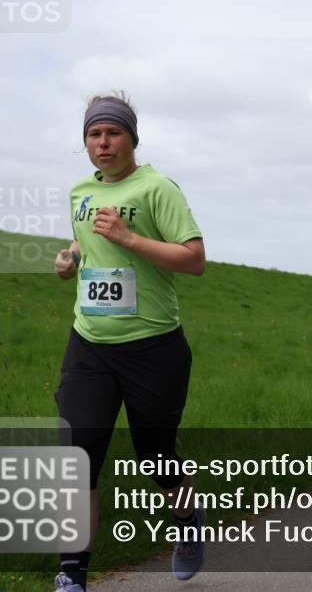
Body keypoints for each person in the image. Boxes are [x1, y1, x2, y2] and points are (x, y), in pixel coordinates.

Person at [52, 93, 206, 592]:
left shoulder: (158, 188)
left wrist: (129, 238)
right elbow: (86, 238)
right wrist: (70, 258)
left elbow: (194, 259)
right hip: (90, 343)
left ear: (132, 139)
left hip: (153, 348)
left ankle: (187, 522)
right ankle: (72, 573)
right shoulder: (79, 191)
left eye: (113, 133)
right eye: (94, 135)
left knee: (155, 456)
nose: (103, 143)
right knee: (79, 454)